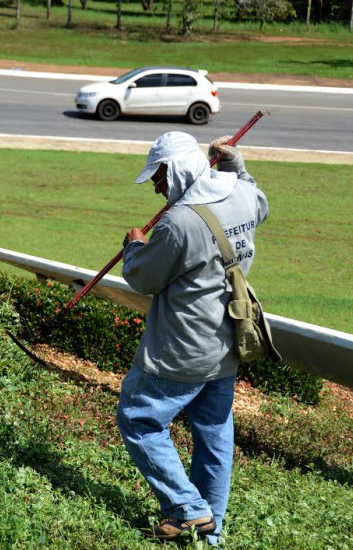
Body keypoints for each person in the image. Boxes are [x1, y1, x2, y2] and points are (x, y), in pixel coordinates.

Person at [116, 131, 269, 546]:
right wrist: (236, 164)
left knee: (138, 418)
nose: (156, 185)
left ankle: (187, 508)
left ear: (181, 169)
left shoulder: (177, 223)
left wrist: (133, 247)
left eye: (161, 175)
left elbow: (144, 278)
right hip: (228, 343)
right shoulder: (241, 194)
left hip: (181, 351)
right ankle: (210, 532)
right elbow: (259, 200)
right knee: (214, 434)